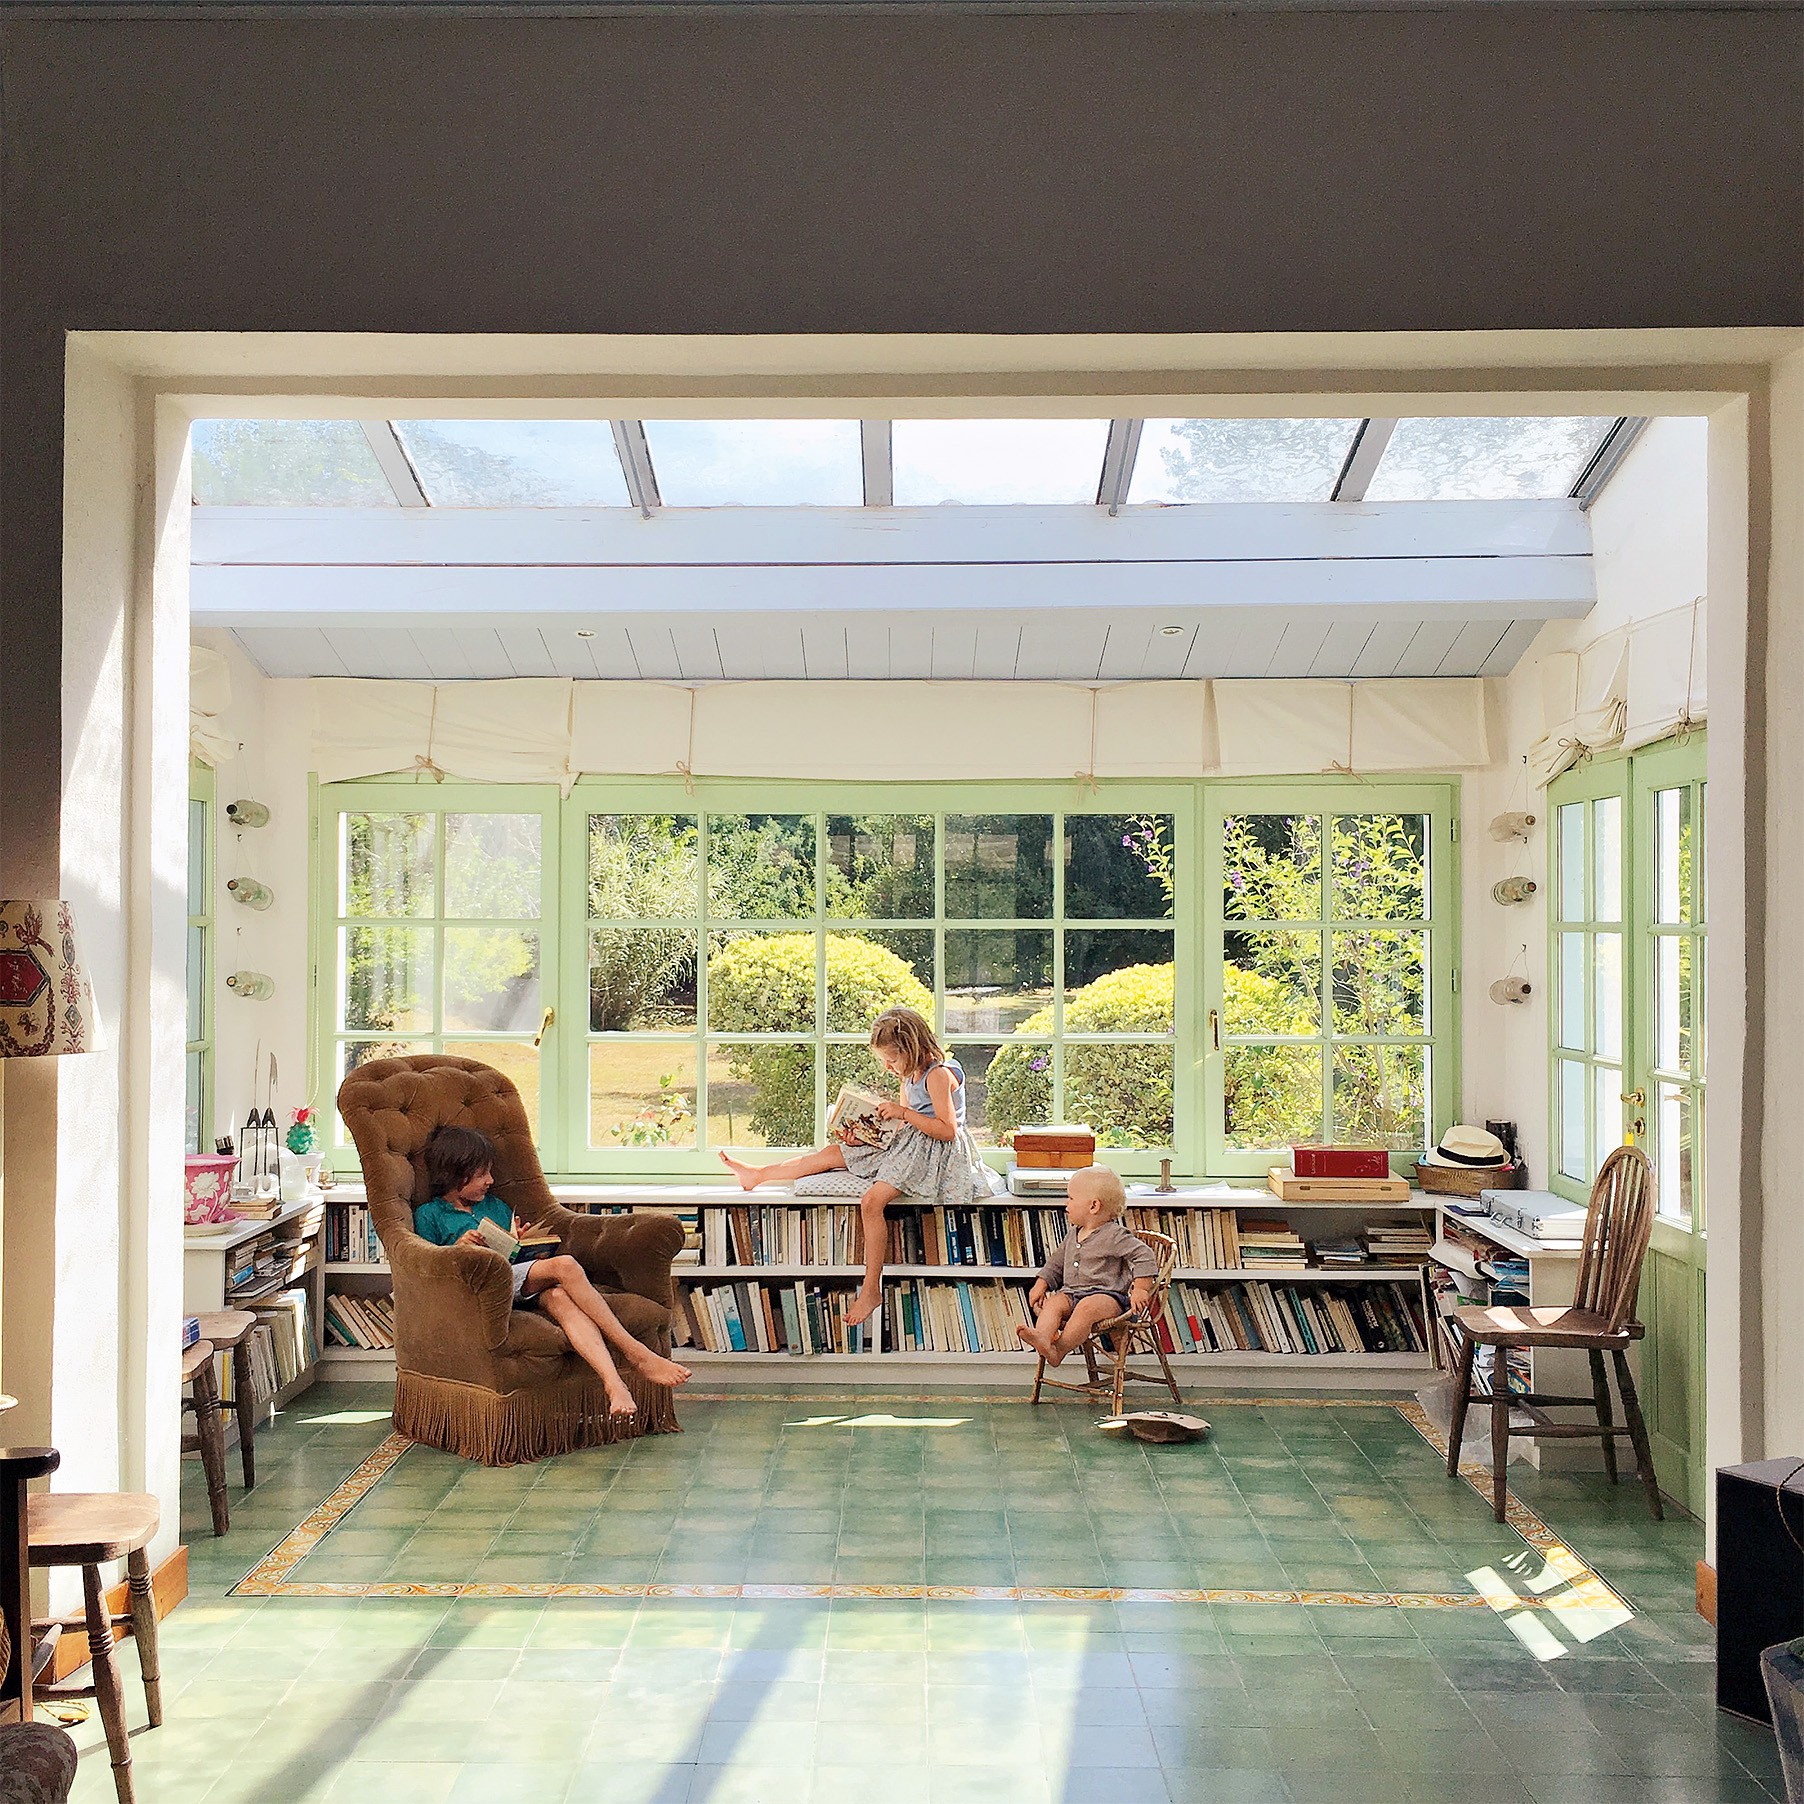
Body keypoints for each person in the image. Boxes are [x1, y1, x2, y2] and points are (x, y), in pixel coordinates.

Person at [719, 1005, 994, 1327]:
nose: (888, 1067)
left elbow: (947, 1130)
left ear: (911, 1047)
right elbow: (903, 1125)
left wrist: (903, 1113)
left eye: (892, 1059)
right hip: (911, 1141)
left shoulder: (938, 1074)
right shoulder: (910, 1074)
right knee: (833, 1152)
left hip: (936, 1152)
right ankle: (758, 1175)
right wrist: (865, 1134)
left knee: (871, 1202)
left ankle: (872, 1288)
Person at [414, 1124, 691, 1425]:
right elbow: (428, 1266)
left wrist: (523, 1244)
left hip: (518, 1279)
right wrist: (458, 1247)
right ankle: (635, 1352)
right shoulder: (429, 1214)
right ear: (455, 1173)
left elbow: (512, 1253)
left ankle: (613, 1383)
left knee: (560, 1298)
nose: (490, 1181)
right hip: (481, 1290)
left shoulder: (496, 1206)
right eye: (482, 1174)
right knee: (566, 1265)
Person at [1017, 1165, 1159, 1366]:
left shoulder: (1115, 1235)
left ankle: (1059, 1350)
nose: (1066, 1203)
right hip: (1072, 1293)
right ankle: (1043, 1337)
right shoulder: (1073, 1234)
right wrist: (1041, 1284)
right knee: (1054, 1303)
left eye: (1071, 1198)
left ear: (1093, 1206)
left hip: (1107, 1297)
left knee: (1087, 1307)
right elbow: (1055, 1264)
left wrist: (1141, 1289)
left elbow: (1144, 1255)